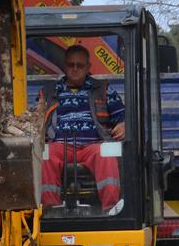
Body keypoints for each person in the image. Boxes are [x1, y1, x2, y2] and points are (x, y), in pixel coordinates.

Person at [39, 45, 126, 214]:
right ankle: (49, 210)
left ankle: (111, 209)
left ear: (88, 67)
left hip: (93, 145)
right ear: (65, 66)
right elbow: (36, 119)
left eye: (80, 65)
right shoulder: (49, 92)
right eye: (71, 64)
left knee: (106, 155)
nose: (75, 69)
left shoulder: (103, 90)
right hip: (60, 145)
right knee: (45, 154)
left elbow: (122, 117)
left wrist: (123, 125)